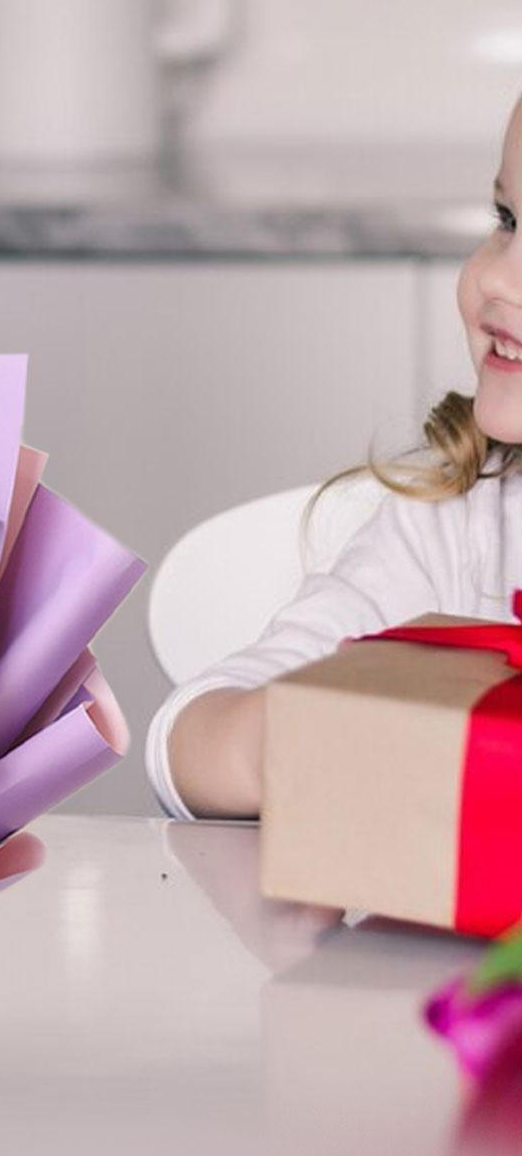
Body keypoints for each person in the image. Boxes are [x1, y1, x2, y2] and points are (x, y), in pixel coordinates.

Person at [148, 92, 522, 821]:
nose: (499, 279)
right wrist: (284, 748)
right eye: (507, 221)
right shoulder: (457, 532)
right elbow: (186, 740)